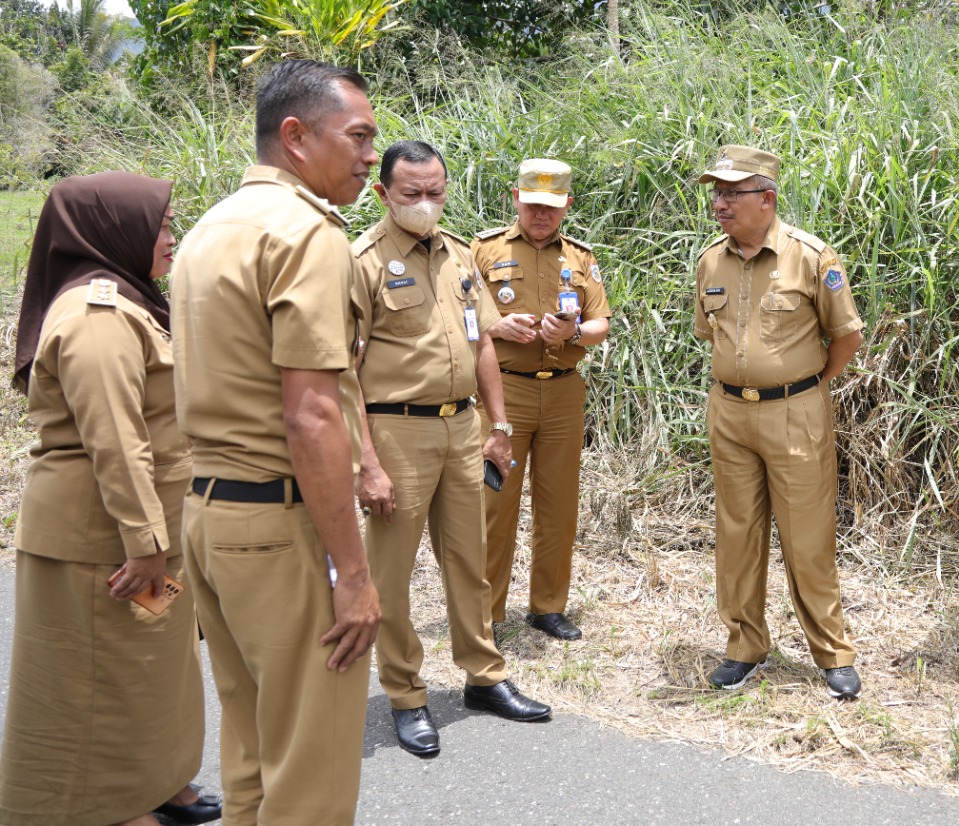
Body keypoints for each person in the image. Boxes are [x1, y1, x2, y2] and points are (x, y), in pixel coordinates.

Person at [170, 59, 381, 826]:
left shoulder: (208, 228)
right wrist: (353, 573)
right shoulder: (306, 234)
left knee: (255, 755)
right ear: (295, 136)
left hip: (211, 518)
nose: (369, 155)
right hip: (280, 524)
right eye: (357, 136)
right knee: (311, 774)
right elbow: (313, 415)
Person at [0, 173, 219, 826]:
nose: (172, 238)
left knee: (155, 670)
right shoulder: (98, 318)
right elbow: (118, 446)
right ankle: (107, 806)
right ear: (113, 230)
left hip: (141, 533)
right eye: (162, 225)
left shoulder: (131, 302)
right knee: (96, 683)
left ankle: (160, 781)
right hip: (106, 541)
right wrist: (147, 546)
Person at [353, 141, 552, 759]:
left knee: (471, 560)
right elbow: (341, 369)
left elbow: (484, 343)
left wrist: (499, 424)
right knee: (391, 572)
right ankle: (406, 694)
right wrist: (366, 461)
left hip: (463, 429)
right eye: (411, 193)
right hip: (396, 433)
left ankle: (483, 675)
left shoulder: (461, 256)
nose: (425, 203)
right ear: (383, 193)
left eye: (435, 191)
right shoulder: (360, 261)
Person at [692, 145, 865, 698]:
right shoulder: (710, 260)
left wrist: (809, 387)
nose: (720, 204)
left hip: (796, 412)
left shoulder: (812, 257)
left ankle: (832, 652)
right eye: (716, 193)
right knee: (737, 533)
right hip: (729, 412)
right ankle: (744, 646)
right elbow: (707, 333)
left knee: (807, 535)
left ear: (766, 198)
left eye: (731, 193)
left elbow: (847, 336)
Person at [472, 158, 611, 640]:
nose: (540, 216)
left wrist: (575, 330)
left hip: (563, 391)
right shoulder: (485, 250)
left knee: (558, 504)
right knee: (496, 501)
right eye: (532, 205)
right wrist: (495, 325)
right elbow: (461, 315)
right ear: (516, 198)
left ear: (567, 205)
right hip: (504, 390)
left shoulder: (579, 258)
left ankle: (547, 606)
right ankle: (486, 610)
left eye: (551, 208)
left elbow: (601, 324)